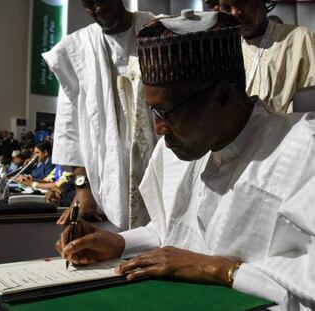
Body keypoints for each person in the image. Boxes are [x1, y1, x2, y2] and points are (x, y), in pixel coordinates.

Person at [56, 11, 315, 310]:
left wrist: (216, 269)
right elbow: (169, 230)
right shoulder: (176, 150)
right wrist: (120, 243)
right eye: (153, 112)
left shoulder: (302, 150)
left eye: (168, 112)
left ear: (222, 97)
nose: (158, 129)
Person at [42, 0, 157, 229]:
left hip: (160, 174)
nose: (98, 8)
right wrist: (83, 189)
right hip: (106, 183)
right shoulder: (75, 50)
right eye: (89, 4)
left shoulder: (156, 29)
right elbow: (70, 128)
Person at [219, 0, 315, 113]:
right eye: (226, 8)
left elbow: (310, 100)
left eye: (242, 2)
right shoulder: (225, 51)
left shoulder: (299, 38)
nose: (235, 12)